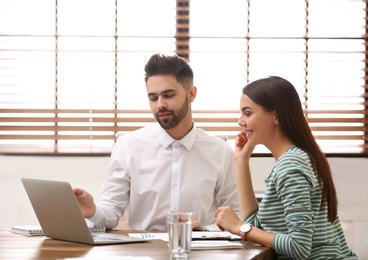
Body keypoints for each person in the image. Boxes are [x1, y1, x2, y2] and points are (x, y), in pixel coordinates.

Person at [73, 53, 239, 231]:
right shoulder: (127, 146)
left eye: (168, 95)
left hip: (199, 251)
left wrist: (206, 230)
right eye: (153, 98)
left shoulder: (220, 151)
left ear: (191, 94)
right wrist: (93, 211)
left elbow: (237, 216)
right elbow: (112, 211)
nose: (160, 105)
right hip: (143, 252)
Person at [215, 76, 357, 259]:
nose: (240, 121)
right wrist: (241, 162)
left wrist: (238, 227)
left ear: (275, 116)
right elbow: (258, 227)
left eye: (248, 113)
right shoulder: (297, 157)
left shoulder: (291, 166)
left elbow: (299, 247)